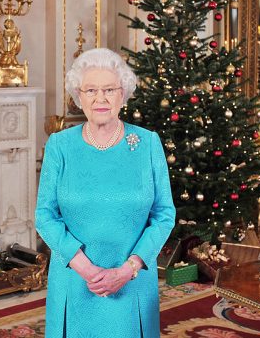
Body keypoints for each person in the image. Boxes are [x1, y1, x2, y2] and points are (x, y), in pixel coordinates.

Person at [35, 48, 176, 337]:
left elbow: (164, 214)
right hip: (75, 280)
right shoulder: (60, 145)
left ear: (123, 93)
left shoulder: (148, 144)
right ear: (79, 96)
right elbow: (45, 216)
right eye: (91, 90)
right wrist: (87, 269)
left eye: (110, 89)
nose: (101, 98)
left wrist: (128, 270)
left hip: (132, 281)